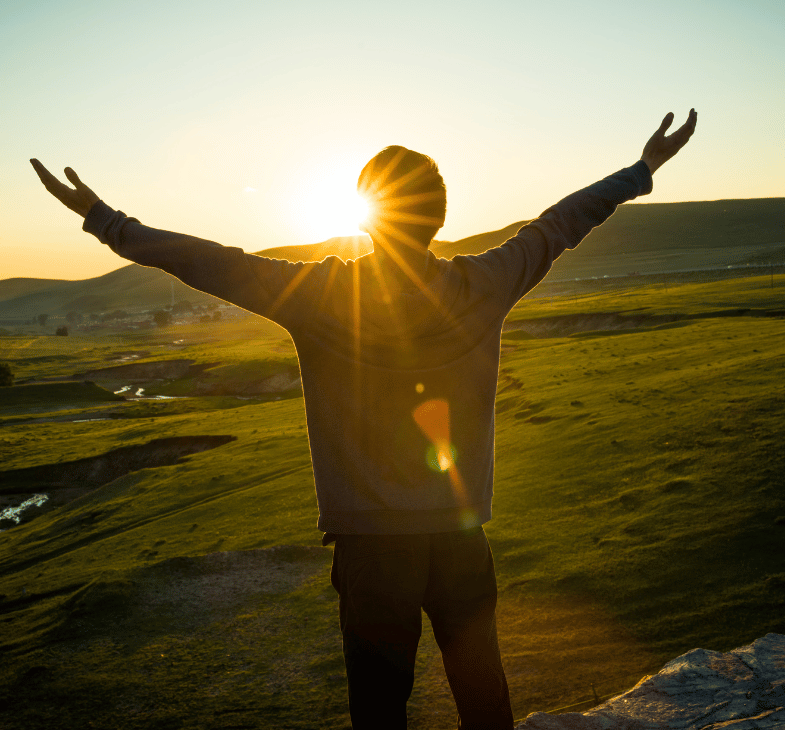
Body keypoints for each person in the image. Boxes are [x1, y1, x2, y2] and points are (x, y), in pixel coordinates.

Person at [31, 108, 697, 729]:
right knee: (484, 695)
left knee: (379, 707)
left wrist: (101, 217)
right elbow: (559, 224)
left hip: (374, 547)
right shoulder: (487, 281)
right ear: (438, 216)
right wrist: (640, 171)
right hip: (462, 535)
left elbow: (207, 263)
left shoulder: (322, 294)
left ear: (367, 217)